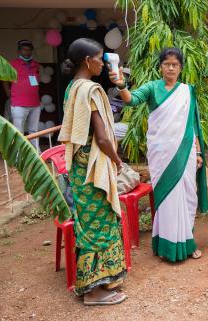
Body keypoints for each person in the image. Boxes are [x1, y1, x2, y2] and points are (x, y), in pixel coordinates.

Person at [111, 47, 208, 262]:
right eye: (167, 64)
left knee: (188, 197)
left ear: (181, 67)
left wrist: (199, 151)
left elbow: (192, 123)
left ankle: (188, 242)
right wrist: (120, 84)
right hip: (162, 154)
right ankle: (167, 245)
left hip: (186, 152)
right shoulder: (152, 88)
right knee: (167, 199)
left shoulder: (187, 90)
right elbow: (131, 99)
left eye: (175, 64)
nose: (171, 68)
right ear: (160, 66)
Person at [58, 38, 127, 305]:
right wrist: (118, 161)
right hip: (93, 168)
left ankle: (104, 279)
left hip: (79, 167)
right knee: (100, 226)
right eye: (100, 58)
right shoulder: (91, 90)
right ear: (88, 61)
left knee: (89, 224)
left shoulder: (72, 88)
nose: (103, 63)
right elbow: (102, 137)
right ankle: (93, 291)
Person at [3, 40, 41, 151]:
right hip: (19, 103)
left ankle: (36, 153)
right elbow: (5, 80)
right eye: (24, 49)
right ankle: (19, 155)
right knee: (18, 130)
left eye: (29, 49)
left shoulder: (36, 65)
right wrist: (7, 91)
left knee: (34, 130)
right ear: (19, 50)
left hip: (35, 103)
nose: (27, 52)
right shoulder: (12, 64)